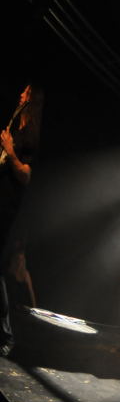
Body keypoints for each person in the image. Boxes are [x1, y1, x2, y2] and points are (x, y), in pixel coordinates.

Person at [0, 83, 44, 357]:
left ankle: (6, 335)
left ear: (32, 99)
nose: (20, 95)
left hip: (6, 205)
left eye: (25, 92)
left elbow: (25, 175)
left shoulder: (30, 134)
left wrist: (10, 150)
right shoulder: (16, 127)